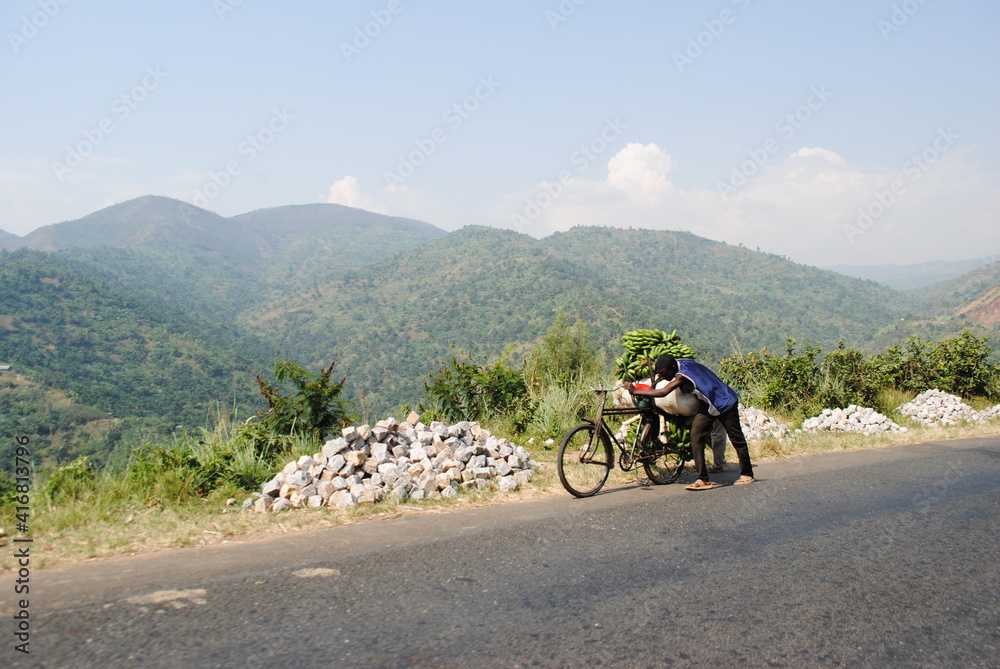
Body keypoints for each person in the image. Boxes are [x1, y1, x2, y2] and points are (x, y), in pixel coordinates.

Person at [626, 354, 754, 490]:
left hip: (725, 402)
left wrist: (635, 390)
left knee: (736, 438)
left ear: (673, 368)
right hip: (708, 404)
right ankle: (703, 479)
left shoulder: (682, 374)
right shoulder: (681, 362)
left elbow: (664, 391)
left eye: (664, 374)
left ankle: (747, 474)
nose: (662, 377)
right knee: (696, 436)